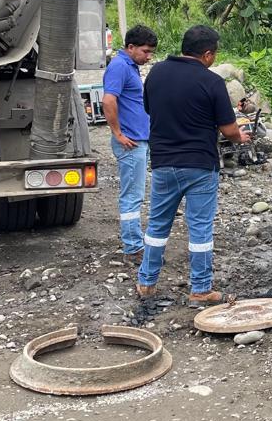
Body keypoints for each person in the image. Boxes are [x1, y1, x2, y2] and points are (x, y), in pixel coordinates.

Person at [136, 25, 249, 307]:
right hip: (199, 165)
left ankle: (146, 283)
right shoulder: (212, 82)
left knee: (157, 225)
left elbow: (150, 109)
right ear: (207, 54)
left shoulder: (156, 73)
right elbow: (228, 129)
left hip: (163, 162)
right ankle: (200, 289)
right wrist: (241, 136)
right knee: (200, 229)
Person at [101, 25, 157, 259]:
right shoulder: (119, 67)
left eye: (151, 52)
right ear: (131, 47)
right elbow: (108, 100)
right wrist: (118, 133)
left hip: (138, 139)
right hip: (130, 141)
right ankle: (133, 247)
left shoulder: (129, 66)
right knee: (132, 195)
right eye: (145, 51)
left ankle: (134, 242)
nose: (149, 56)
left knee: (136, 193)